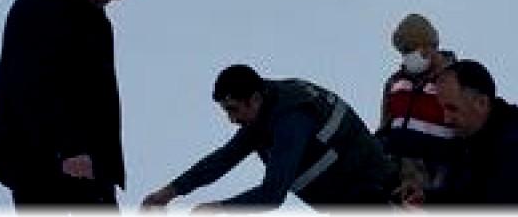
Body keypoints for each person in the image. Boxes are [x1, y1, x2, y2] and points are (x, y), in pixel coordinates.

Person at [0, 0, 140, 208]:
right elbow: (32, 88)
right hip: (43, 163)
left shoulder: (92, 15)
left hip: (87, 163)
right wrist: (70, 147)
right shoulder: (38, 9)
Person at [141, 64, 391, 211]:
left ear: (255, 99)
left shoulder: (290, 119)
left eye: (234, 110)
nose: (231, 120)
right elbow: (224, 158)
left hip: (373, 195)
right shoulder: (265, 111)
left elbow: (272, 195)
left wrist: (219, 209)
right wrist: (169, 192)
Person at [399, 59, 518, 207]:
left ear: (481, 103)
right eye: (442, 109)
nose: (446, 119)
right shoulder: (470, 141)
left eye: (452, 108)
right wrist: (427, 200)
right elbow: (469, 198)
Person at [376, 13, 458, 197]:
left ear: (429, 47)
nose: (406, 57)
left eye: (409, 50)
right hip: (399, 189)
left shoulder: (456, 82)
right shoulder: (395, 84)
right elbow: (385, 132)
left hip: (439, 194)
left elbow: (467, 141)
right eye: (402, 52)